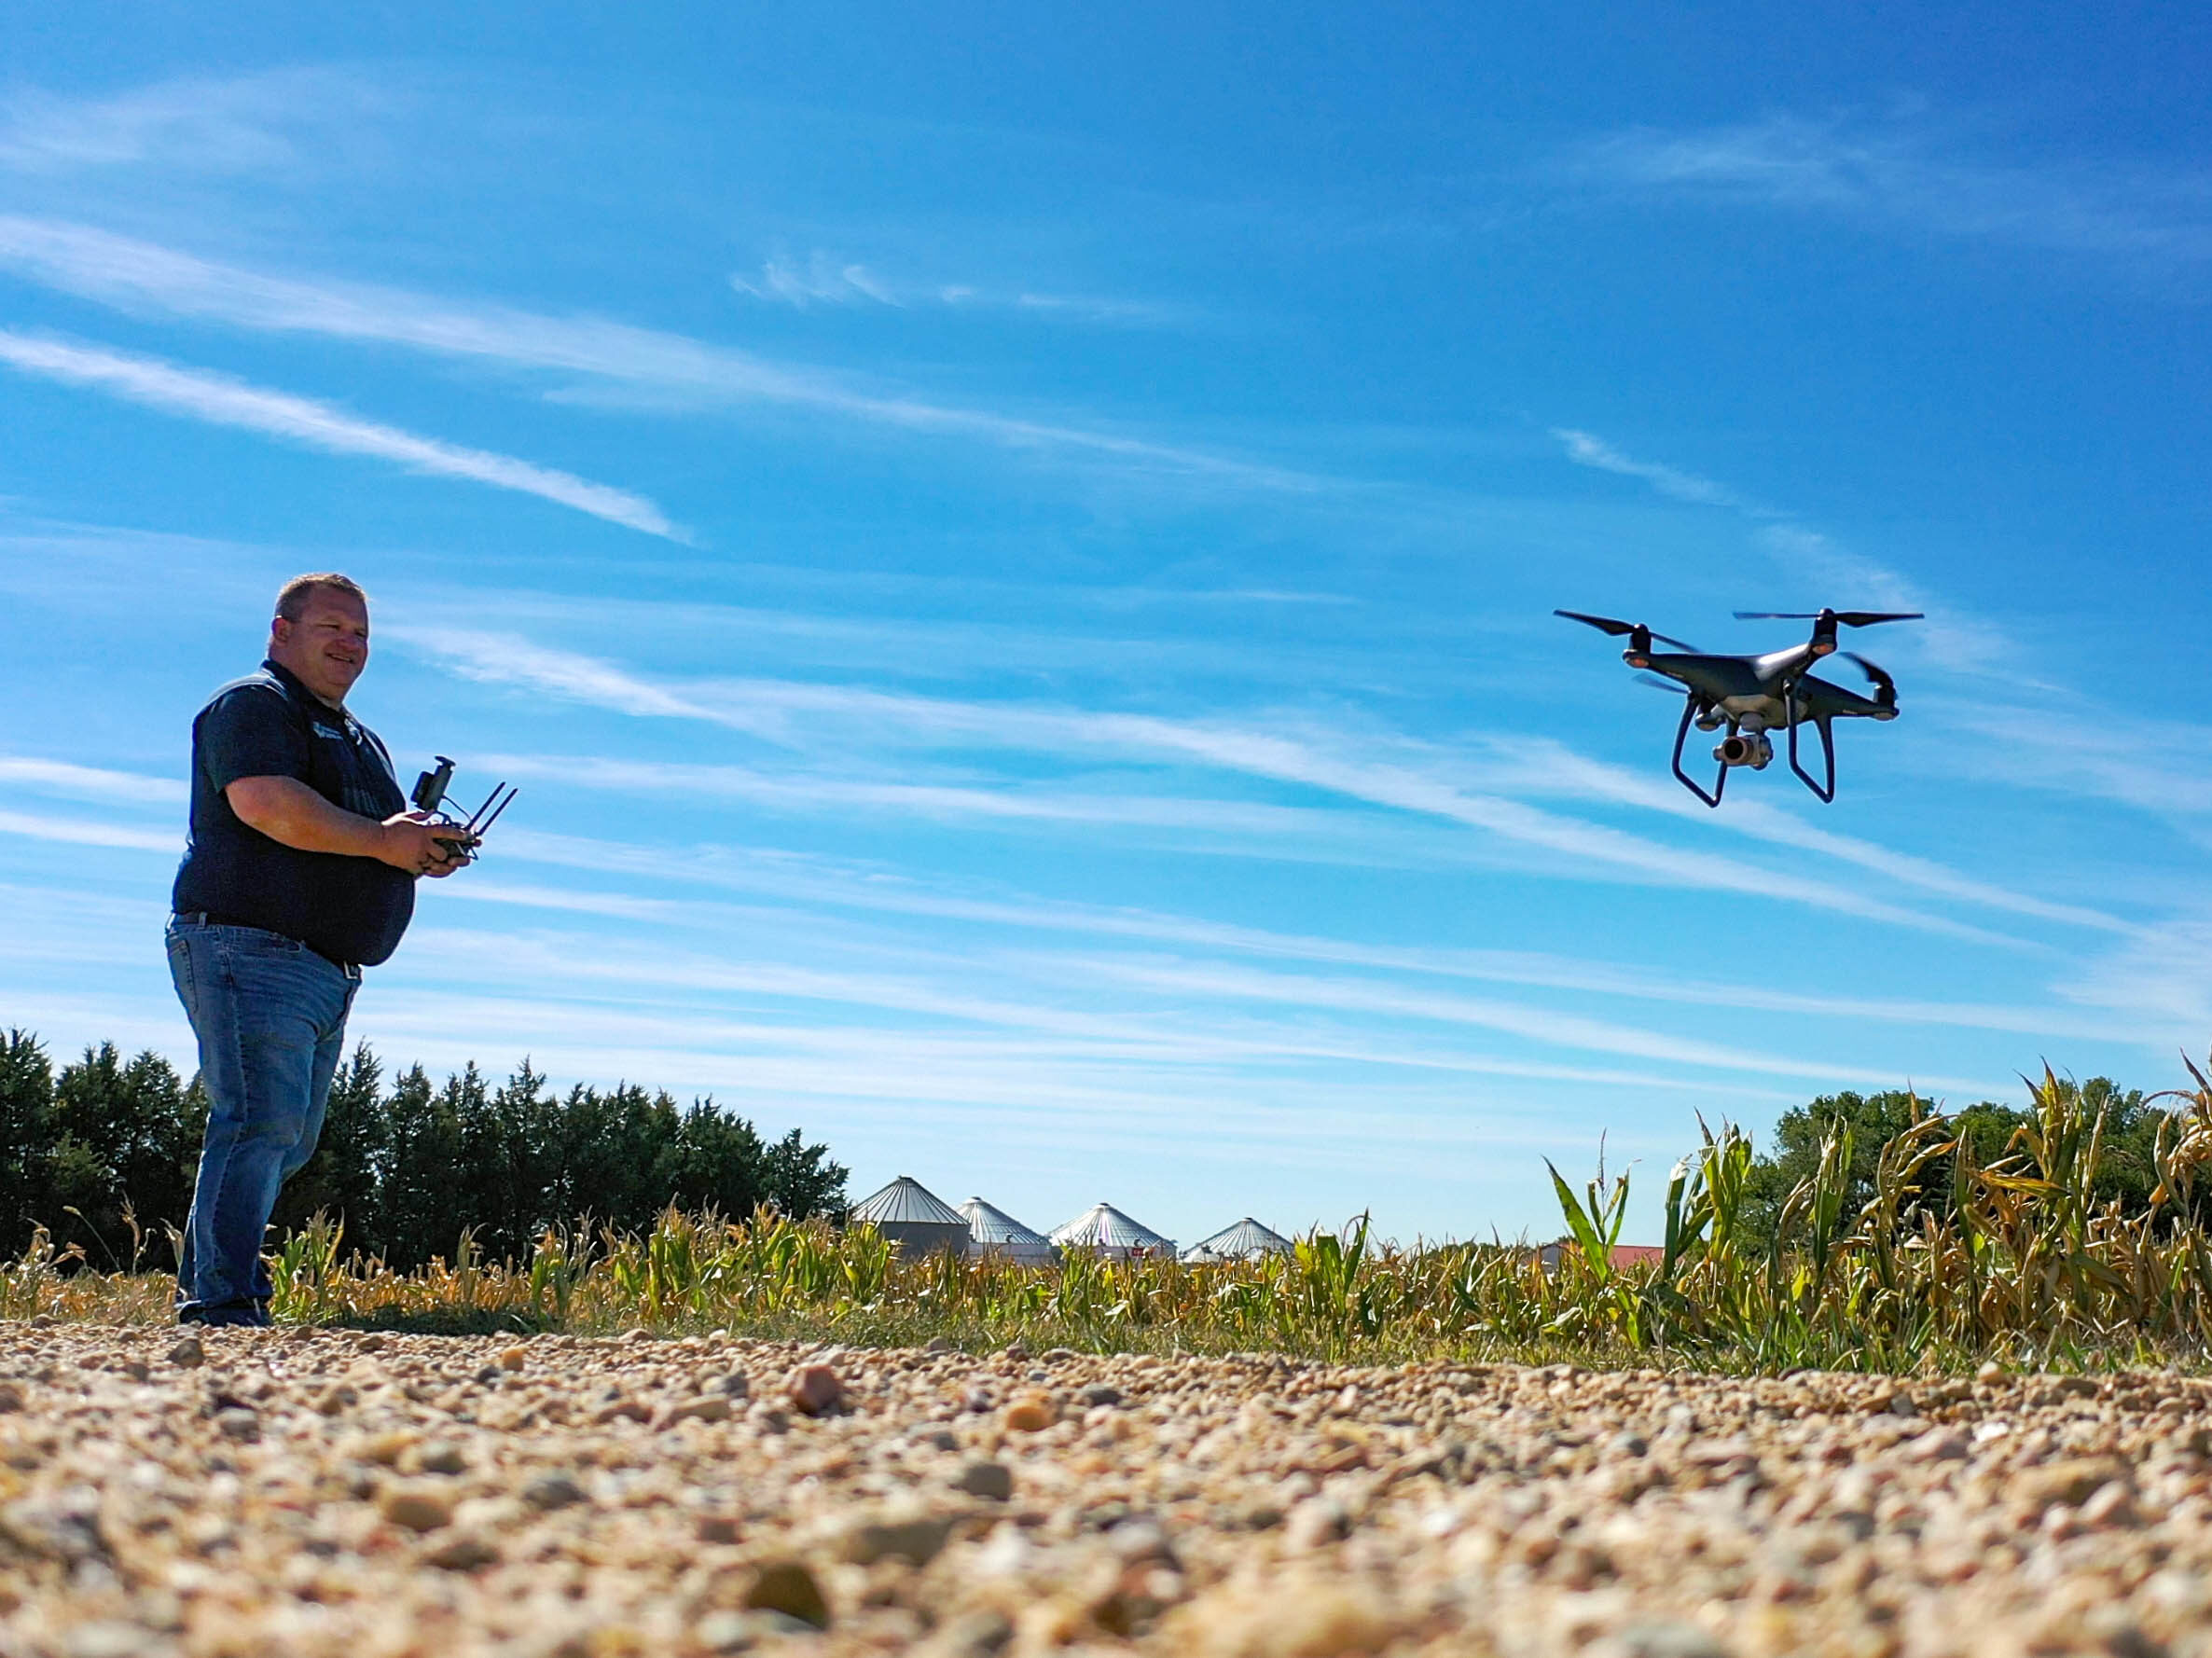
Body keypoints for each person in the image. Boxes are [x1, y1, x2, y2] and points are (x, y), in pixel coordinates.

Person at [166, 573, 465, 1326]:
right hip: (247, 943)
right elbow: (264, 804)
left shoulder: (362, 739)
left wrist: (420, 850)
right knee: (259, 1122)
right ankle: (223, 1305)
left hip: (323, 966)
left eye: (360, 633)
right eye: (331, 626)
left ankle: (209, 1289)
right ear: (281, 631)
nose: (349, 643)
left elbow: (376, 841)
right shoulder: (254, 706)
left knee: (285, 1138)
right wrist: (382, 840)